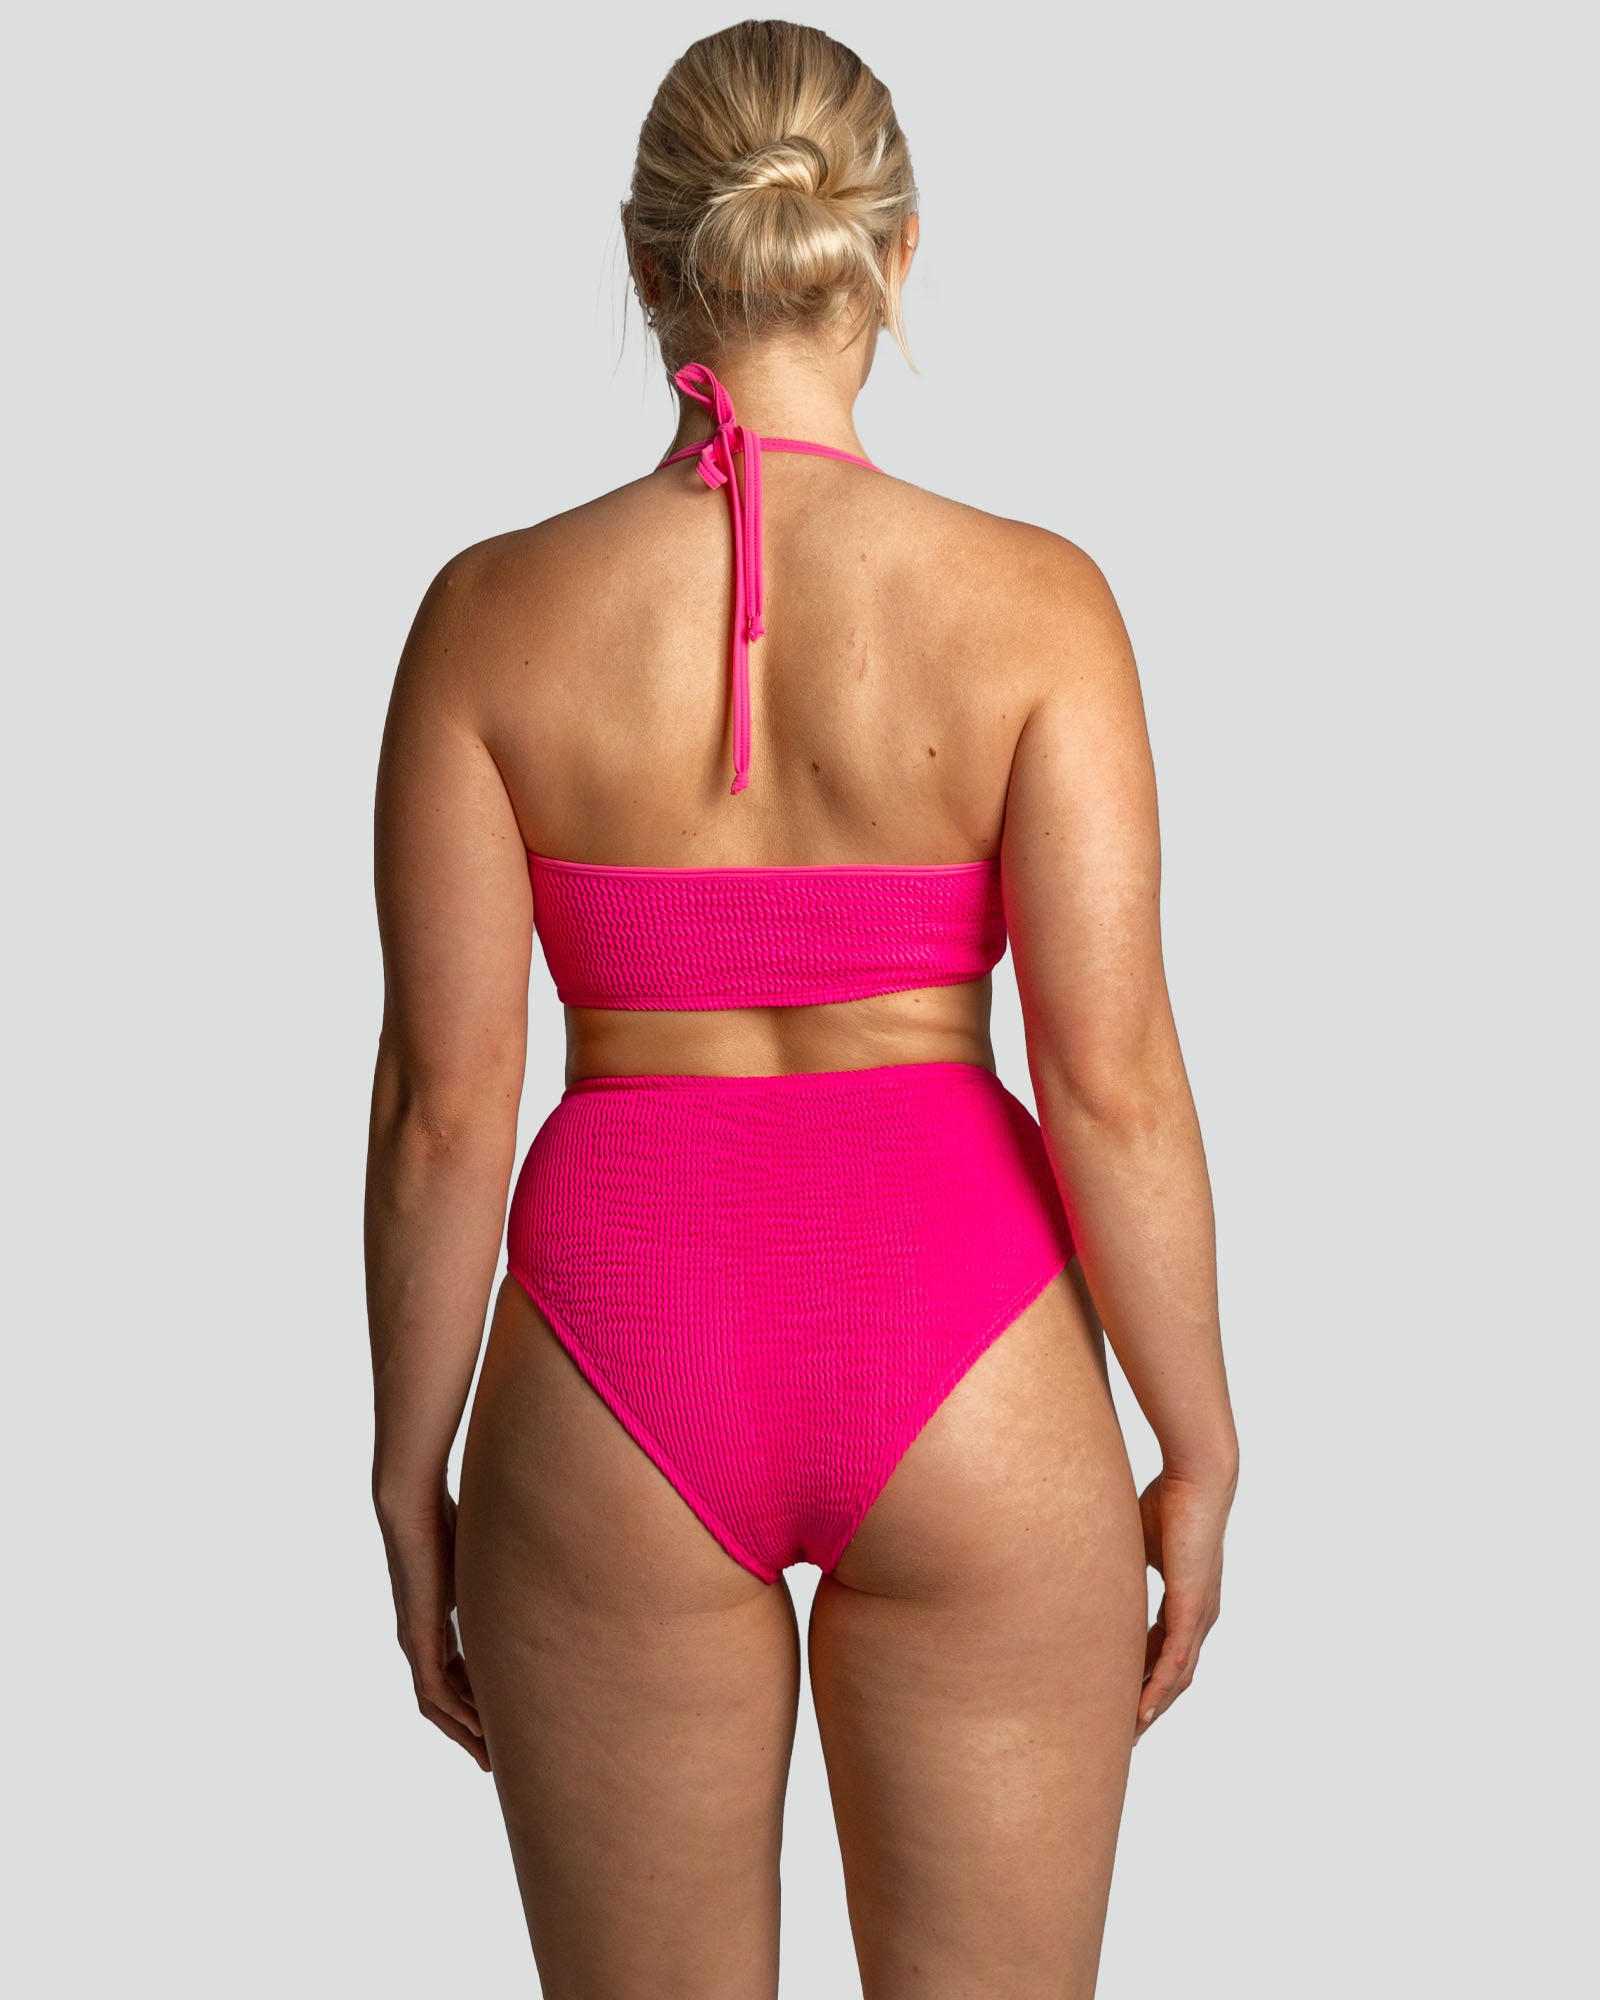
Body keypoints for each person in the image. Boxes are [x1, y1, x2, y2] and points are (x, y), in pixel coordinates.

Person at [364, 18, 1238, 1996]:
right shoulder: (1040, 604)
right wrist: (1195, 1442)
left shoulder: (486, 617)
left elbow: (442, 1108)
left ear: (641, 255)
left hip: (614, 1345)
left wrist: (410, 1480)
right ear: (896, 252)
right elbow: (1111, 1082)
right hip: (966, 1335)